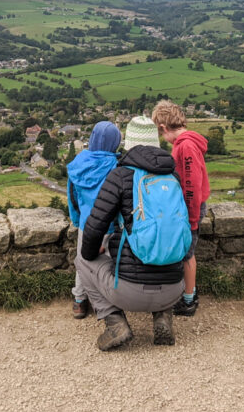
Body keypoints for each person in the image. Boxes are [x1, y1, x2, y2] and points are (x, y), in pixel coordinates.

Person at [75, 116, 186, 350]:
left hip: (128, 291)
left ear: (128, 142)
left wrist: (95, 251)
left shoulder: (120, 176)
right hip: (175, 288)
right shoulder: (173, 177)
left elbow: (94, 228)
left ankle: (114, 321)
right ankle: (163, 316)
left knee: (82, 260)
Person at [151, 99, 209, 316]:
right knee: (185, 252)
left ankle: (188, 300)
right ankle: (187, 294)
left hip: (189, 209)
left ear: (164, 128)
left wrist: (191, 218)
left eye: (160, 133)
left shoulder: (185, 146)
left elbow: (191, 185)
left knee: (187, 253)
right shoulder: (186, 142)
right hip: (187, 208)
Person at [66, 120, 121, 319]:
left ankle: (80, 301)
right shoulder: (117, 165)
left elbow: (72, 196)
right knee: (112, 263)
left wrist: (76, 220)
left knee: (84, 262)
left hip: (86, 224)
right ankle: (112, 301)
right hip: (112, 224)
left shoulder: (78, 164)